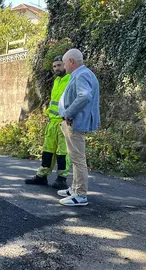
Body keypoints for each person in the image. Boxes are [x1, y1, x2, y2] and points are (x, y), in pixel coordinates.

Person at [57, 49, 100, 206]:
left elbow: (84, 96)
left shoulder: (81, 75)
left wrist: (68, 113)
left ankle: (80, 195)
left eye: (64, 63)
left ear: (71, 62)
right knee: (75, 157)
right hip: (74, 122)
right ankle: (75, 189)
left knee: (78, 158)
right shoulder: (82, 74)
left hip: (75, 122)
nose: (63, 67)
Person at [25, 56, 71, 189]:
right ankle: (42, 176)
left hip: (63, 122)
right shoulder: (57, 81)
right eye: (55, 66)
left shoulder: (71, 80)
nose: (57, 68)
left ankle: (62, 178)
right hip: (52, 122)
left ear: (65, 65)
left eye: (59, 65)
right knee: (48, 151)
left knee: (63, 152)